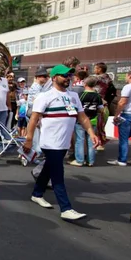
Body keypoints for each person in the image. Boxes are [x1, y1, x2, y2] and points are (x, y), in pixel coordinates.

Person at [24, 64, 100, 221]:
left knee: (48, 168)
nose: (68, 78)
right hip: (50, 143)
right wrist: (29, 139)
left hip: (64, 143)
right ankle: (66, 208)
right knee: (58, 174)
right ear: (54, 77)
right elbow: (33, 119)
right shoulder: (44, 97)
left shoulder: (73, 97)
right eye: (64, 75)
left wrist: (92, 133)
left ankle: (37, 194)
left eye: (70, 76)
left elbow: (83, 117)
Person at [107, 70, 131, 167]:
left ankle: (122, 160)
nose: (125, 78)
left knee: (124, 139)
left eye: (126, 76)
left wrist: (116, 115)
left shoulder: (127, 87)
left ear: (130, 76)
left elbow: (122, 102)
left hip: (128, 114)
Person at [69, 77, 103, 167]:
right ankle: (91, 161)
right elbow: (101, 109)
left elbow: (75, 107)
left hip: (81, 120)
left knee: (79, 140)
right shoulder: (97, 96)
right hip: (93, 120)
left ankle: (80, 160)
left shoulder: (80, 95)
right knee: (91, 140)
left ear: (85, 84)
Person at [93, 63, 114, 149]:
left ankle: (99, 142)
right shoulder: (108, 78)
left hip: (99, 103)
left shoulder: (98, 79)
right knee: (101, 124)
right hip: (105, 104)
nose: (94, 70)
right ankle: (100, 142)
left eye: (95, 68)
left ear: (100, 69)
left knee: (98, 123)